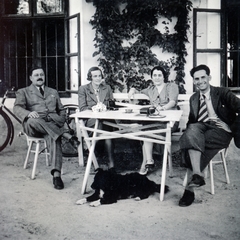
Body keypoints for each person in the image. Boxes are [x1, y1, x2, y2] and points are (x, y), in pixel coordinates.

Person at [179, 64, 240, 207]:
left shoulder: (223, 93)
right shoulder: (193, 98)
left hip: (220, 130)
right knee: (192, 133)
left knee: (193, 145)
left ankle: (189, 190)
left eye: (203, 77)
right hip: (201, 128)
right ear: (193, 81)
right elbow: (192, 122)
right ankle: (197, 175)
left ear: (209, 77)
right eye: (196, 79)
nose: (200, 81)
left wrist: (231, 127)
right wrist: (188, 134)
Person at [13, 66, 80, 190]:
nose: (39, 77)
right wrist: (28, 114)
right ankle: (66, 135)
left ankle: (56, 175)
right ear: (31, 78)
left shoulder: (53, 92)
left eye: (41, 75)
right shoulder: (24, 91)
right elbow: (17, 108)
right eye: (36, 75)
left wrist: (60, 119)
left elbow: (61, 110)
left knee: (53, 137)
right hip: (33, 126)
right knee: (34, 120)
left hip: (52, 126)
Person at [128, 66, 179, 175]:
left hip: (170, 121)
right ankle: (149, 161)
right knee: (147, 129)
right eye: (154, 75)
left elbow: (172, 102)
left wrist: (163, 108)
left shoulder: (171, 86)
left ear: (164, 76)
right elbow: (138, 90)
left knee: (146, 130)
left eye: (159, 75)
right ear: (151, 77)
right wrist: (132, 89)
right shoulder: (150, 89)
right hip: (156, 120)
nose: (157, 78)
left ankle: (146, 162)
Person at [78, 66, 115, 170]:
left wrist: (105, 108)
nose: (98, 78)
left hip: (105, 120)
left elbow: (112, 105)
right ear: (90, 77)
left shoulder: (107, 88)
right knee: (104, 128)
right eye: (95, 76)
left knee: (107, 132)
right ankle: (110, 163)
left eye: (99, 76)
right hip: (90, 121)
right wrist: (95, 109)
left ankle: (110, 164)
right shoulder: (83, 89)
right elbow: (82, 108)